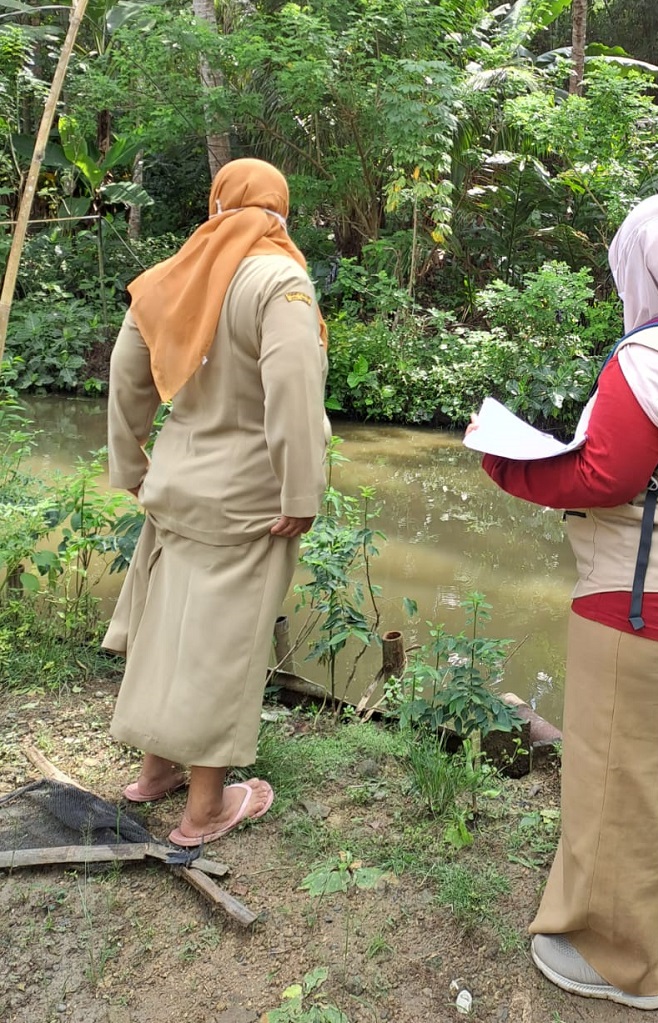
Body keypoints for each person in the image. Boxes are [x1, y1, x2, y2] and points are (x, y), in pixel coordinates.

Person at [471, 194, 658, 1009]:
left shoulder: (650, 354)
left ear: (638, 268)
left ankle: (621, 961)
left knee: (614, 777)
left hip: (638, 600)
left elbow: (604, 476)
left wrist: (505, 465)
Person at [102, 158, 330, 847]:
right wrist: (301, 490)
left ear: (217, 205)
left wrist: (131, 462)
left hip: (177, 485)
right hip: (249, 498)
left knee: (167, 627)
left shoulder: (175, 276)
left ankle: (154, 771)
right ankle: (204, 809)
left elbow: (126, 371)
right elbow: (291, 389)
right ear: (279, 213)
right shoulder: (279, 279)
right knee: (222, 644)